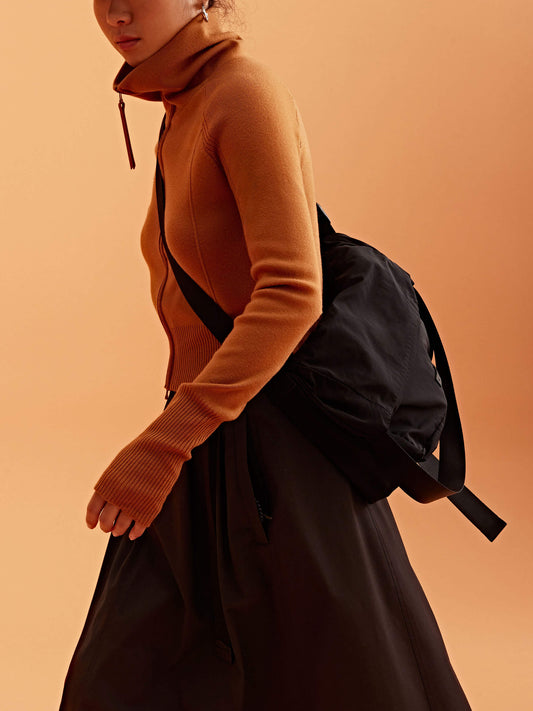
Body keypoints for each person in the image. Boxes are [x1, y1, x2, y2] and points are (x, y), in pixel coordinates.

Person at [58, 1, 473, 709]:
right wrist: (177, 438)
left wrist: (162, 445)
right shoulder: (181, 102)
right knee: (129, 677)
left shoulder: (241, 93)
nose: (117, 11)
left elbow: (290, 293)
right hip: (204, 439)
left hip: (274, 459)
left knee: (348, 682)